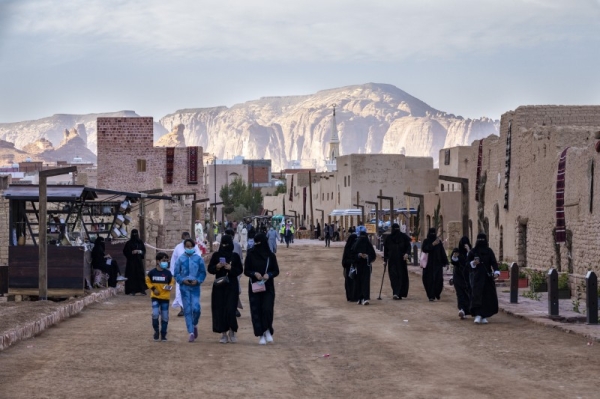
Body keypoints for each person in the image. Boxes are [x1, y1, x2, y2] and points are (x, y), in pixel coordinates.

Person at [244, 232, 280, 345]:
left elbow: (276, 271)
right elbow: (246, 270)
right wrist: (254, 273)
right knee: (257, 310)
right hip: (255, 287)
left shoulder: (271, 256)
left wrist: (268, 275)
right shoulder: (251, 254)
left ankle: (267, 329)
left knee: (267, 309)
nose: (257, 245)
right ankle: (260, 334)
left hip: (268, 287)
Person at [207, 235, 243, 343]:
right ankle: (223, 334)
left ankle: (232, 331)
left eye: (227, 244)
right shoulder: (216, 255)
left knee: (231, 309)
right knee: (220, 309)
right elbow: (210, 269)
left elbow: (240, 270)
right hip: (219, 286)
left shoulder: (235, 256)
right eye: (223, 244)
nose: (225, 246)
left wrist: (231, 268)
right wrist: (217, 267)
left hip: (232, 286)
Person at [174, 238, 207, 342]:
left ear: (194, 247)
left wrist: (198, 281)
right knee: (187, 310)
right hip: (184, 288)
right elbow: (176, 273)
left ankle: (195, 323)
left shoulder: (198, 259)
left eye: (191, 246)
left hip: (195, 288)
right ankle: (191, 332)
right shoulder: (180, 259)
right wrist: (182, 280)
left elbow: (203, 272)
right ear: (184, 247)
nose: (189, 248)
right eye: (187, 246)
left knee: (196, 308)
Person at [467, 233, 500, 324]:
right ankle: (478, 314)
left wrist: (496, 272)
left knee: (487, 296)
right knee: (477, 295)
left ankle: (484, 315)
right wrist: (473, 263)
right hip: (477, 277)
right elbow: (468, 264)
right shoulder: (473, 252)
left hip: (487, 278)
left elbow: (494, 262)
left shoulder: (489, 251)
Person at [170, 232, 202, 317]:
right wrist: (173, 272)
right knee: (180, 292)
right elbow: (174, 260)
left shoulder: (194, 247)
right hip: (181, 274)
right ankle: (182, 309)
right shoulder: (178, 248)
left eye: (187, 238)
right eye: (184, 238)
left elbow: (199, 259)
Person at [146, 252, 174, 341]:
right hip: (155, 297)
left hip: (165, 298)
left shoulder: (168, 273)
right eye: (163, 260)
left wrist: (169, 287)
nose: (165, 262)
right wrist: (153, 289)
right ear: (158, 261)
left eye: (166, 261)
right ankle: (156, 331)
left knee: (165, 316)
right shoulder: (152, 273)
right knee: (155, 314)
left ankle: (163, 334)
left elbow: (172, 282)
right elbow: (147, 281)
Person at [383, 223, 412, 300]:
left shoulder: (403, 237)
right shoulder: (389, 238)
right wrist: (385, 260)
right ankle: (396, 292)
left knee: (401, 276)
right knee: (393, 276)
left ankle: (400, 293)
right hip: (392, 261)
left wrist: (407, 254)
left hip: (401, 260)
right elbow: (386, 250)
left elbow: (408, 247)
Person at [421, 228, 449, 301]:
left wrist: (446, 262)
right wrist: (432, 245)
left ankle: (437, 293)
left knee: (439, 280)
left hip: (437, 264)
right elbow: (424, 249)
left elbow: (442, 252)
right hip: (428, 264)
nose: (433, 235)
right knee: (428, 280)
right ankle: (431, 296)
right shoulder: (426, 241)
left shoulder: (438, 242)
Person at [351, 231, 376, 305]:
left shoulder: (368, 245)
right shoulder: (355, 245)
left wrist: (367, 256)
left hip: (366, 266)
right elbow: (352, 255)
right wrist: (359, 255)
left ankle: (365, 298)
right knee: (358, 281)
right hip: (358, 266)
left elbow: (373, 255)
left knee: (365, 281)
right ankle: (360, 297)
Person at [451, 236, 473, 319]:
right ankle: (462, 310)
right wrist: (455, 256)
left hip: (468, 278)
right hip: (458, 277)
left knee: (468, 294)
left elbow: (472, 261)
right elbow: (453, 261)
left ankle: (469, 310)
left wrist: (469, 251)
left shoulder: (471, 251)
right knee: (460, 294)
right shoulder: (457, 251)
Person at [123, 229, 147, 295]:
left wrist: (139, 251)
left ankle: (142, 289)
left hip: (139, 261)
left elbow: (143, 250)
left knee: (140, 275)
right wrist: (131, 252)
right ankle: (132, 290)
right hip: (131, 262)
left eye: (135, 233)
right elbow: (125, 251)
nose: (134, 235)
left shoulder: (140, 242)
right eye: (133, 233)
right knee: (132, 275)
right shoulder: (129, 243)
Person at [341, 233, 358, 302]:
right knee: (350, 283)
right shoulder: (348, 248)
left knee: (352, 283)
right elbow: (344, 260)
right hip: (349, 268)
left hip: (352, 268)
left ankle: (353, 296)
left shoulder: (352, 247)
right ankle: (351, 296)